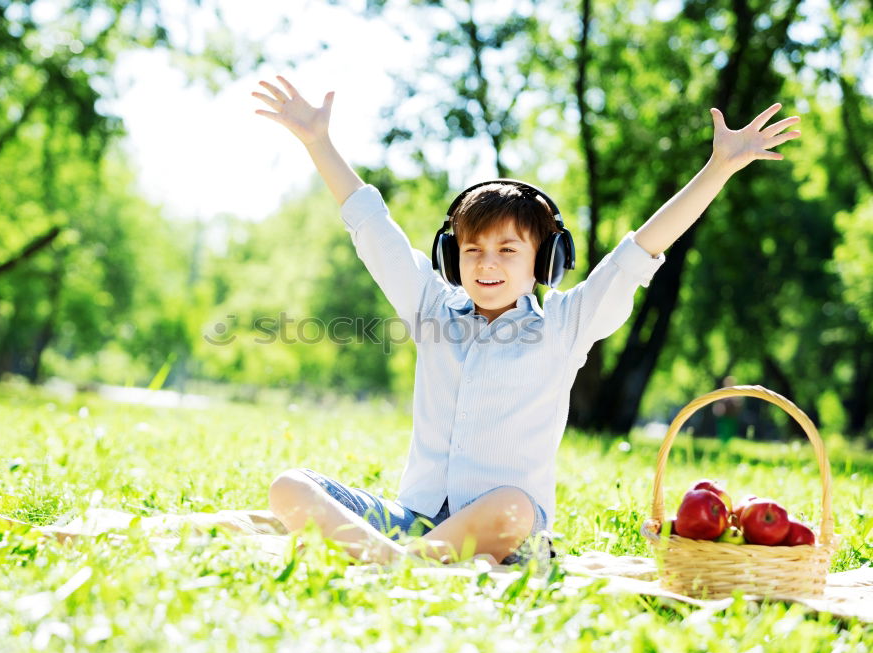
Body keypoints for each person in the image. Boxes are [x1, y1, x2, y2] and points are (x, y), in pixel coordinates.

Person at [253, 75, 801, 566]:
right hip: (415, 521)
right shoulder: (430, 308)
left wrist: (719, 167)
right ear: (452, 258)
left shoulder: (565, 325)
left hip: (509, 533)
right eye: (472, 251)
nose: (487, 263)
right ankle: (407, 562)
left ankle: (392, 562)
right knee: (290, 486)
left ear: (542, 262)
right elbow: (373, 228)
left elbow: (640, 250)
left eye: (508, 250)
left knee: (514, 506)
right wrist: (318, 142)